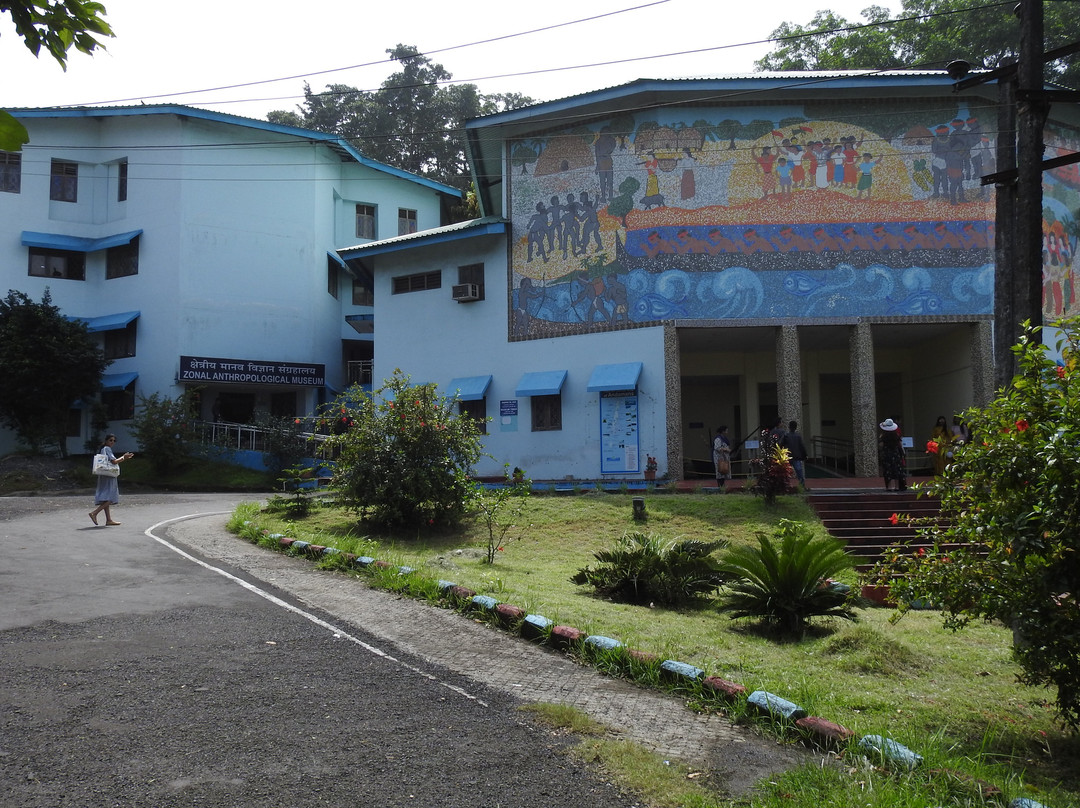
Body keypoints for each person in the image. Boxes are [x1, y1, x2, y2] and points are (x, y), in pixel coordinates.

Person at [89, 434, 134, 526]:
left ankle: (108, 519)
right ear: (106, 441)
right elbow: (114, 461)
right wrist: (123, 457)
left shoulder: (103, 449)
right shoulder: (107, 449)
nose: (112, 442)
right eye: (110, 440)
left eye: (114, 441)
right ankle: (95, 513)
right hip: (109, 475)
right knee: (111, 496)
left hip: (104, 475)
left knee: (106, 496)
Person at [878, 418, 906, 491]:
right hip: (896, 454)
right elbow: (900, 445)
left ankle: (889, 487)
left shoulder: (883, 436)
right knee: (896, 470)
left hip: (887, 454)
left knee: (888, 470)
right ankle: (897, 486)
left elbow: (881, 445)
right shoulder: (896, 435)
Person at [780, 420, 808, 487]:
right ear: (796, 427)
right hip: (796, 456)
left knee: (785, 472)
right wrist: (805, 455)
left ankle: (784, 484)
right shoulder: (798, 436)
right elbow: (802, 446)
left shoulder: (786, 435)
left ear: (789, 427)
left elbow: (780, 444)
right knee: (799, 471)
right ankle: (802, 485)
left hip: (788, 456)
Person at [712, 426, 732, 491]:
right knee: (720, 471)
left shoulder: (724, 438)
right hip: (719, 458)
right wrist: (726, 449)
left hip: (724, 457)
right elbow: (717, 448)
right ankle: (720, 486)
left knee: (723, 472)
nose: (727, 432)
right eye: (726, 430)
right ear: (723, 431)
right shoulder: (718, 439)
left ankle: (722, 486)